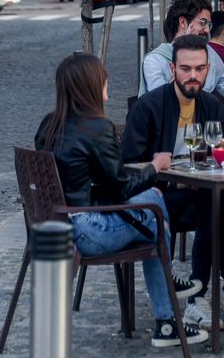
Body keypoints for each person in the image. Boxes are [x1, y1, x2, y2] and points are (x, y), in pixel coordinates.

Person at [35, 53, 208, 348]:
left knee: (155, 221)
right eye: (103, 77)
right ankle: (166, 314)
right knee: (154, 204)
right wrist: (155, 166)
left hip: (54, 226)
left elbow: (83, 177)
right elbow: (121, 190)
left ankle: (167, 315)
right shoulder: (97, 128)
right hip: (87, 231)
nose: (107, 82)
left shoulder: (49, 124)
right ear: (91, 85)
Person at [123, 36, 224, 327]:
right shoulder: (149, 107)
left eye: (199, 68)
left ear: (208, 69)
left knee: (215, 201)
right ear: (172, 70)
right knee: (213, 203)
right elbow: (129, 165)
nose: (192, 75)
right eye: (185, 68)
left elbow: (222, 150)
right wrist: (166, 176)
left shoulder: (211, 107)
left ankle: (207, 292)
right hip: (155, 199)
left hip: (200, 194)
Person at [139, 0, 224, 100]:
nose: (206, 30)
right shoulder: (155, 60)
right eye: (203, 23)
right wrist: (185, 51)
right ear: (183, 22)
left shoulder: (209, 53)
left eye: (208, 25)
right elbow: (162, 100)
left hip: (200, 117)